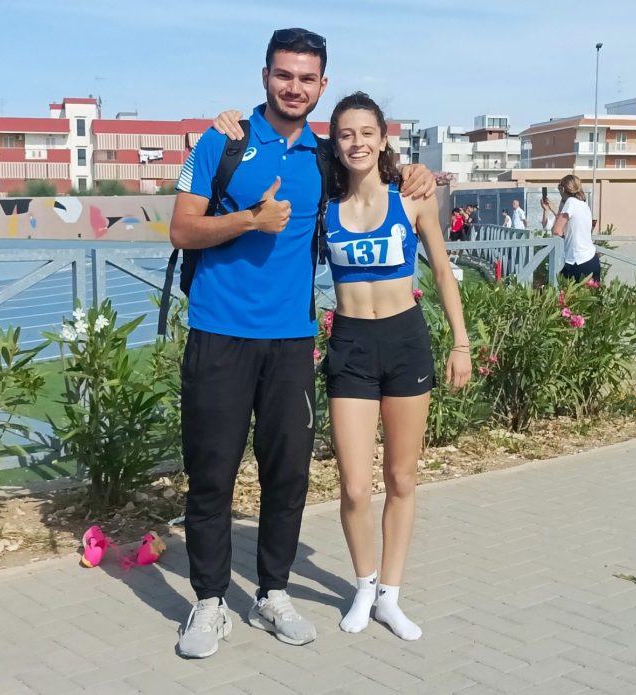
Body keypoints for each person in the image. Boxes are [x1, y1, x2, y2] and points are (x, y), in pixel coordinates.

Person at [171, 27, 435, 660]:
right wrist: (249, 220)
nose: (294, 87)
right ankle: (208, 602)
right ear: (265, 76)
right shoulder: (221, 141)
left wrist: (416, 171)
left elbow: (375, 171)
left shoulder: (323, 158)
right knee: (211, 475)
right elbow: (182, 229)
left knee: (287, 477)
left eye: (307, 78)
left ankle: (272, 594)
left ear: (322, 84)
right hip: (218, 333)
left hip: (291, 341)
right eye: (284, 75)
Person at [322, 92, 471, 640]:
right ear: (335, 144)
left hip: (405, 341)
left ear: (383, 138)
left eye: (367, 132)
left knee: (402, 477)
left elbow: (443, 272)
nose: (357, 143)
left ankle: (391, 595)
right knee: (355, 487)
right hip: (352, 346)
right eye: (346, 134)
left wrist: (461, 343)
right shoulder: (324, 205)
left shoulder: (411, 198)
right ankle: (364, 585)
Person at [551, 174, 600, 283]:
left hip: (577, 261)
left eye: (559, 188)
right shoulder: (584, 205)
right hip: (592, 259)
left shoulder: (570, 202)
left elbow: (556, 231)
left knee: (558, 289)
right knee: (592, 293)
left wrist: (560, 208)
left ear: (563, 189)